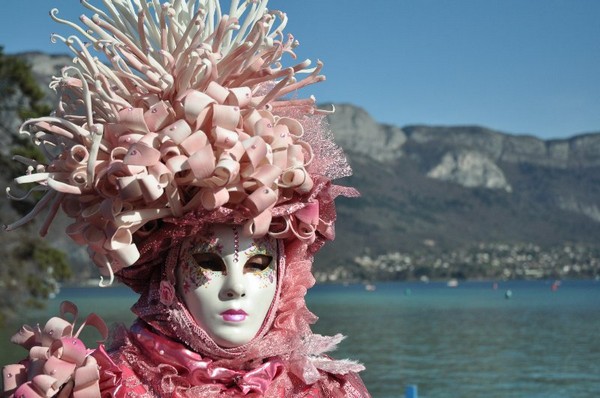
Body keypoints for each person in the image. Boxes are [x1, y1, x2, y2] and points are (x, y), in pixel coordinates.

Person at [2, 0, 370, 396]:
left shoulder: (321, 388)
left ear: (285, 276)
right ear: (167, 276)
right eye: (208, 262)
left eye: (258, 263)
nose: (236, 288)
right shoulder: (100, 386)